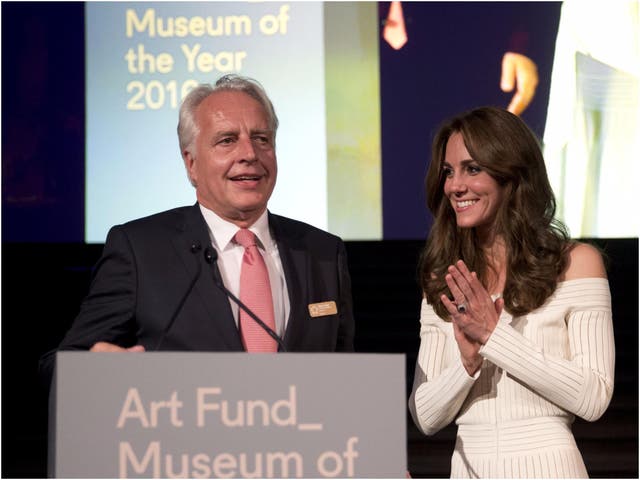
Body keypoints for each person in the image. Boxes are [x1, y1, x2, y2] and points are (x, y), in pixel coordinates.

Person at [39, 74, 355, 383]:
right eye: (227, 140)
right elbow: (62, 362)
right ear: (191, 164)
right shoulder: (140, 250)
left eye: (262, 139)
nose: (249, 154)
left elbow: (346, 380)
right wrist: (94, 368)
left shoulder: (323, 252)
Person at [408, 106, 615, 478]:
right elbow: (424, 415)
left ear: (512, 174)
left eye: (473, 169)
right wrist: (467, 364)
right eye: (448, 172)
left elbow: (594, 396)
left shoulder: (576, 264)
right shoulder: (446, 277)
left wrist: (494, 337)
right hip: (468, 466)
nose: (455, 185)